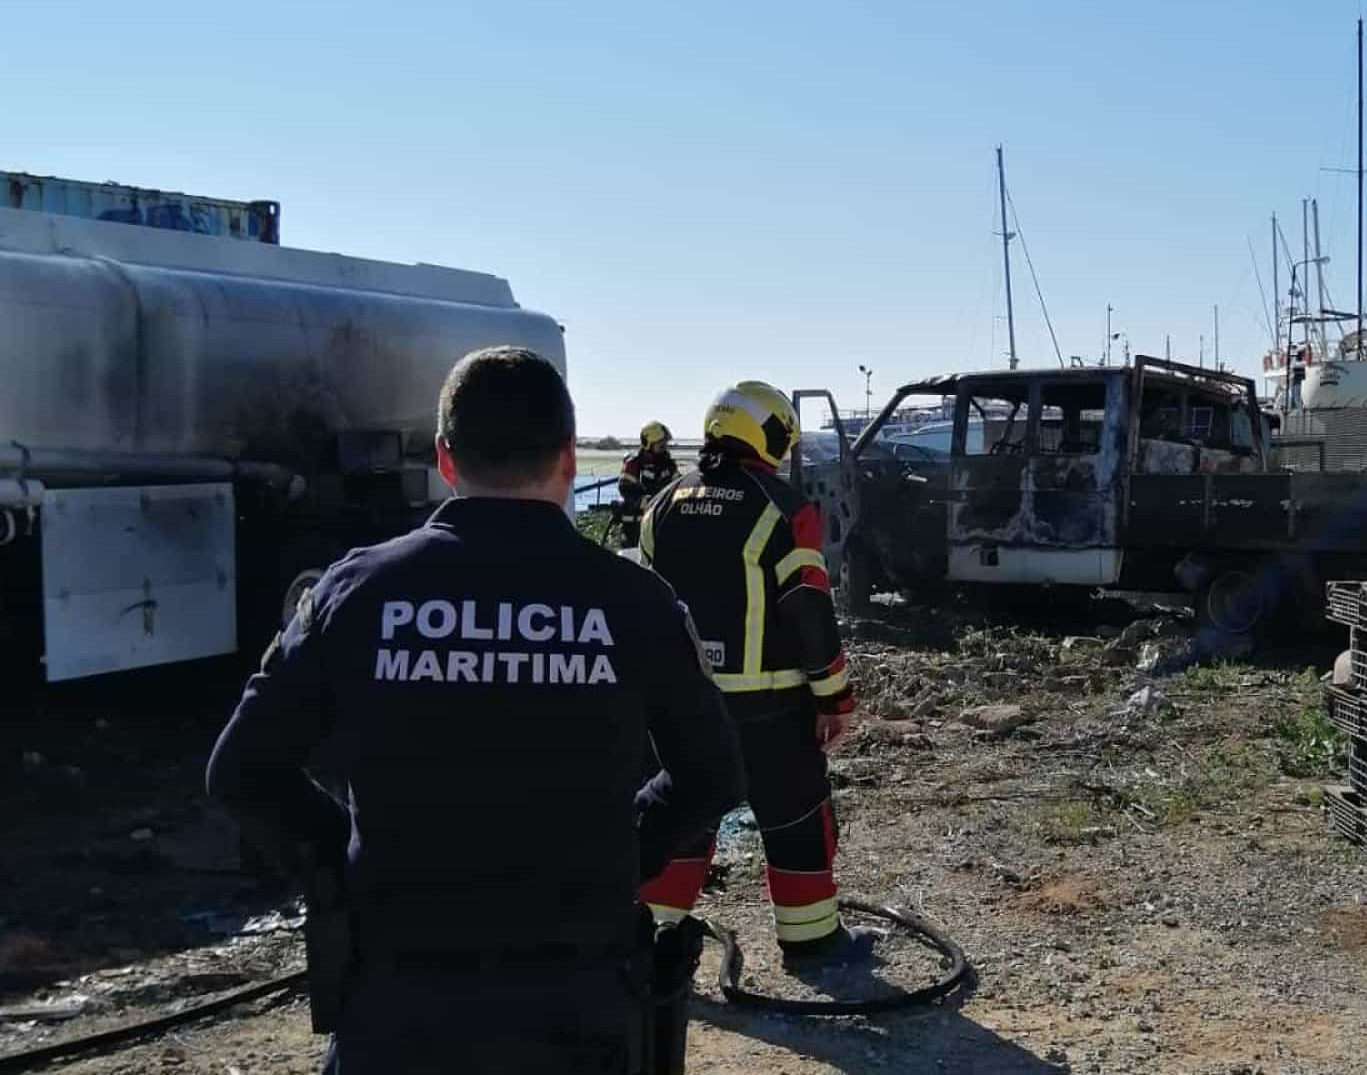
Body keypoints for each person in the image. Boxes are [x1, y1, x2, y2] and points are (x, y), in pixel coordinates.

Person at [206, 347, 745, 1074]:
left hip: (397, 1005)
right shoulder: (633, 602)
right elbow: (712, 774)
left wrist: (348, 857)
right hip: (577, 1001)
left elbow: (241, 771)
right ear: (565, 459)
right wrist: (624, 848)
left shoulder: (357, 591)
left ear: (445, 459)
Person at [632, 381, 876, 968]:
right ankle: (811, 941)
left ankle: (650, 936)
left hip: (678, 708)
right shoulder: (784, 508)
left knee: (680, 821)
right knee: (796, 819)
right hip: (769, 708)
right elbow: (809, 611)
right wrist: (834, 697)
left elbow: (638, 605)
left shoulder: (661, 504)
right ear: (774, 436)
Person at [616, 422, 678, 549]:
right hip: (634, 527)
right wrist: (644, 501)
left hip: (659, 524)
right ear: (648, 443)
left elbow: (678, 487)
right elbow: (625, 489)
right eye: (660, 443)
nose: (664, 446)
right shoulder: (634, 464)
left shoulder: (669, 465)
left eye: (665, 443)